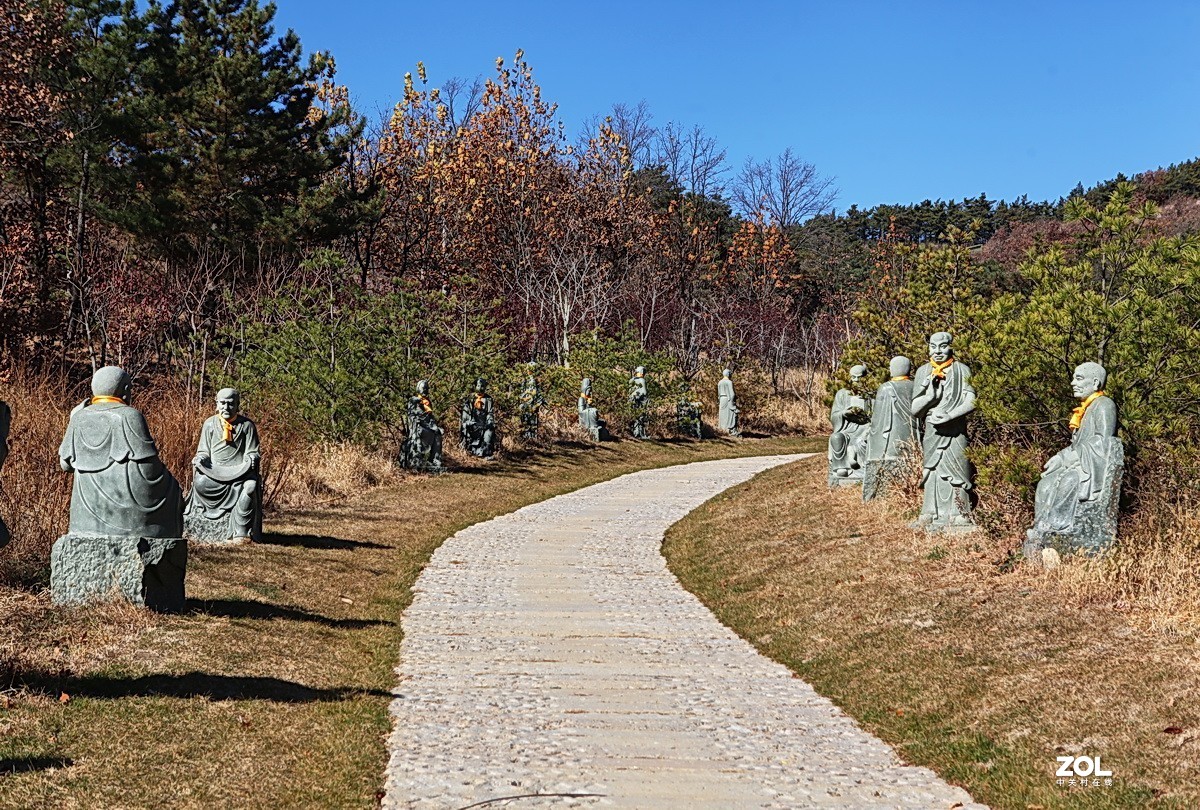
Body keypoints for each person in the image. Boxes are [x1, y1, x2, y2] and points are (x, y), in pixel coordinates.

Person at [58, 366, 183, 537]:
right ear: (125, 390)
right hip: (129, 518)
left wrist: (72, 419)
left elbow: (65, 465)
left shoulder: (78, 417)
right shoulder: (130, 416)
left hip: (84, 519)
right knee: (172, 489)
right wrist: (171, 483)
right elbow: (149, 467)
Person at [1027, 363, 1119, 541]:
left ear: (1095, 383)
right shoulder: (1086, 409)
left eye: (1079, 379)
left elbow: (1103, 441)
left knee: (1069, 481)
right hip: (1080, 462)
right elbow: (1077, 445)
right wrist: (1060, 458)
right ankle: (1041, 527)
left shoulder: (1104, 405)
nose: (1072, 383)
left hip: (1092, 466)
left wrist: (1074, 457)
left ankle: (1057, 528)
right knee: (1045, 484)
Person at [910, 332, 976, 530]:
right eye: (933, 346)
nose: (937, 351)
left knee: (958, 469)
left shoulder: (962, 370)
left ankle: (960, 512)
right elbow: (915, 410)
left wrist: (951, 415)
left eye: (943, 346)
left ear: (951, 347)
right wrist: (930, 397)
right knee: (932, 470)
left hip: (955, 429)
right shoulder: (923, 371)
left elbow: (971, 401)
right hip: (933, 430)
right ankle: (929, 512)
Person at [185, 388, 262, 542]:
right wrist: (200, 459)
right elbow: (203, 451)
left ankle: (241, 531)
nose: (226, 407)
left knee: (250, 487)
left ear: (238, 405)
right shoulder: (210, 424)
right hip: (215, 472)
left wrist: (252, 457)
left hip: (240, 473)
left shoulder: (247, 426)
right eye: (222, 403)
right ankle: (199, 527)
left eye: (230, 403)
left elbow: (252, 451)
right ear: (216, 404)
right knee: (200, 482)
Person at [828, 364, 871, 481]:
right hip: (847, 427)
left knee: (867, 436)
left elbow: (877, 414)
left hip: (865, 426)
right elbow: (834, 415)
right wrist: (844, 413)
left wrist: (865, 414)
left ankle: (857, 457)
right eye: (853, 377)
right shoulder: (842, 394)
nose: (856, 380)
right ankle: (841, 467)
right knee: (836, 437)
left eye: (859, 377)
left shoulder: (870, 394)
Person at [403, 379, 444, 471]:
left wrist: (435, 427)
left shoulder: (428, 402)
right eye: (423, 388)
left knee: (438, 435)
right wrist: (431, 426)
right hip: (419, 427)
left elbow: (431, 417)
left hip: (429, 427)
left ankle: (435, 461)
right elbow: (415, 417)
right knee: (421, 433)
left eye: (426, 388)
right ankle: (417, 462)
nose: (425, 390)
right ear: (418, 389)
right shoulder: (414, 401)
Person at [460, 377, 497, 458]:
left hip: (484, 424)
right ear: (475, 386)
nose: (480, 388)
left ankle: (485, 452)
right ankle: (468, 449)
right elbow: (465, 413)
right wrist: (468, 422)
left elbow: (490, 412)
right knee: (468, 429)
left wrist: (489, 421)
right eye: (478, 386)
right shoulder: (470, 399)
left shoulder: (488, 399)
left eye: (483, 386)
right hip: (472, 423)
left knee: (489, 431)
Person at [717, 369, 740, 436]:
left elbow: (718, 394)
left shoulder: (720, 382)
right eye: (730, 373)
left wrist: (719, 400)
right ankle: (730, 429)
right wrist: (732, 402)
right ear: (728, 374)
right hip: (728, 399)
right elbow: (732, 394)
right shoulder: (729, 382)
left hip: (722, 399)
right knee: (730, 415)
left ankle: (722, 429)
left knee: (723, 415)